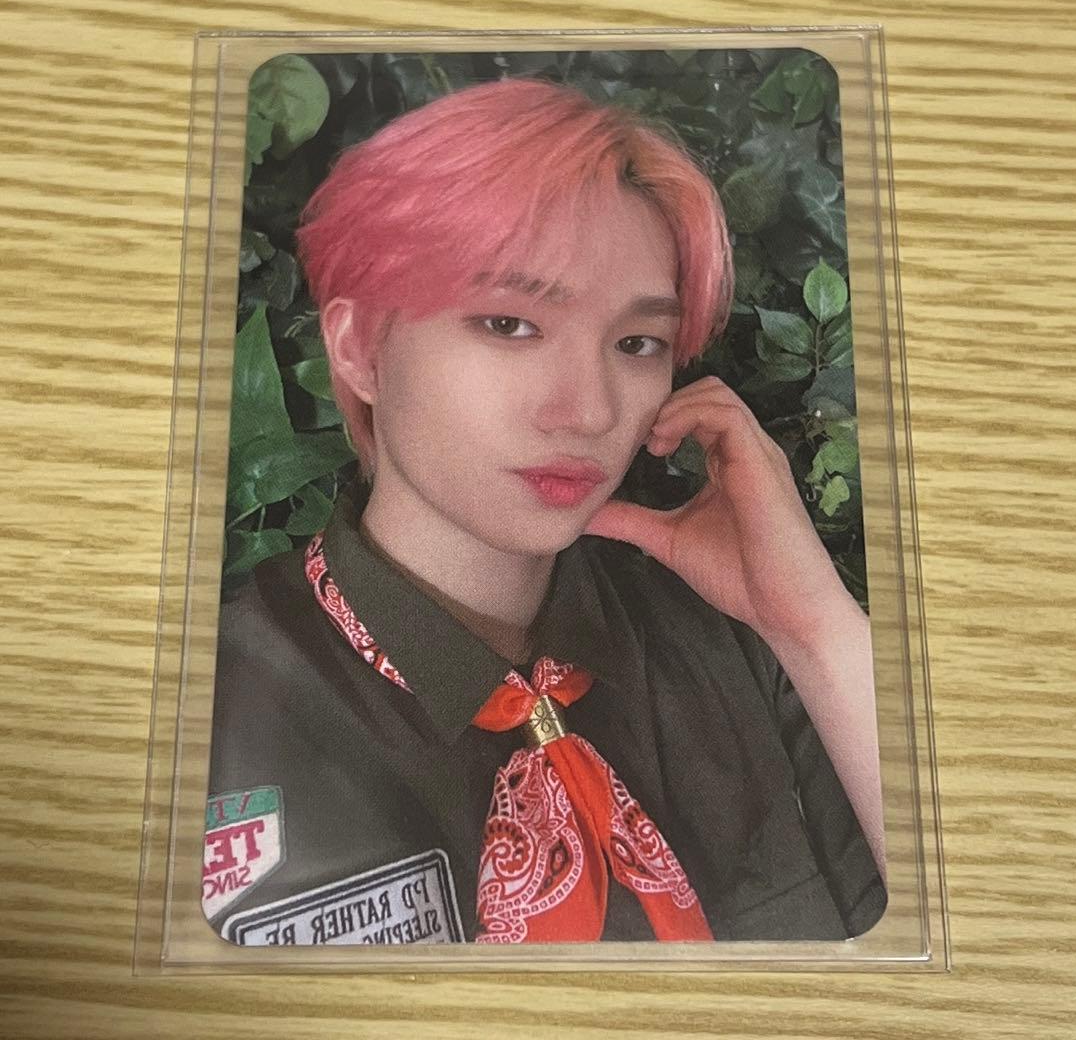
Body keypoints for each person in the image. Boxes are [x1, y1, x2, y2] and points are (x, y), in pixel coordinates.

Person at [203, 76, 887, 947]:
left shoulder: (733, 643)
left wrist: (815, 627)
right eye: (509, 324)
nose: (589, 411)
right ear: (361, 349)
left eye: (637, 343)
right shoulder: (209, 715)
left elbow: (966, 943)